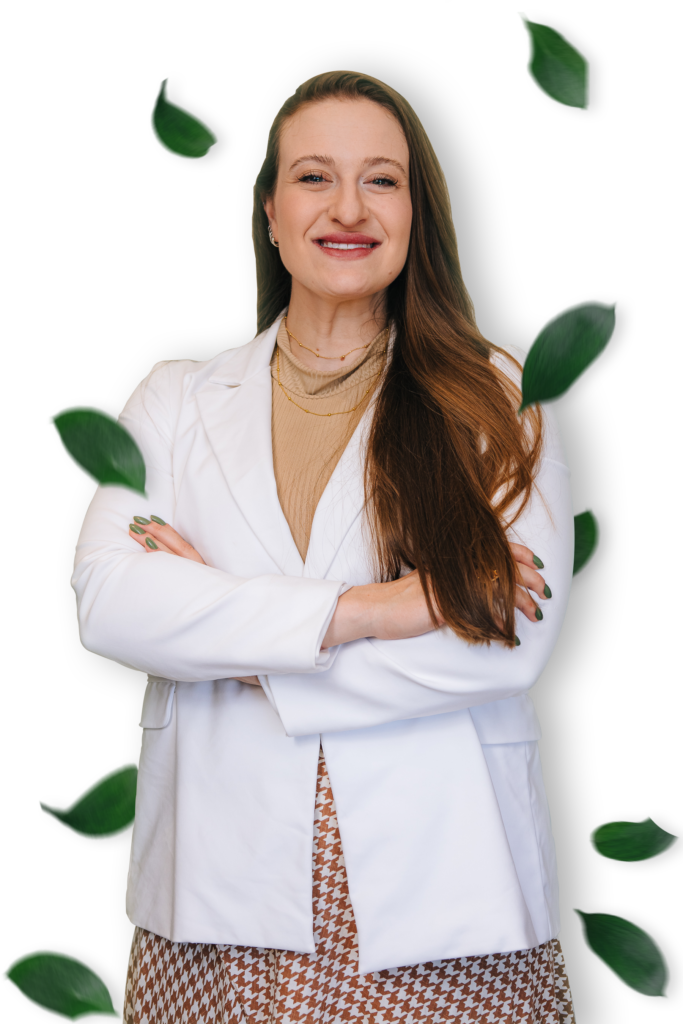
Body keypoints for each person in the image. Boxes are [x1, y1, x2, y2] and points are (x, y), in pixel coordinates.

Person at [72, 70, 577, 1023]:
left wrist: (235, 645)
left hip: (441, 892)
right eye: (314, 177)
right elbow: (109, 602)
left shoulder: (499, 390)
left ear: (418, 213)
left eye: (381, 180)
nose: (348, 208)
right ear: (269, 212)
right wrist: (370, 610)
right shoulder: (174, 397)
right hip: (215, 896)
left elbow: (508, 643)